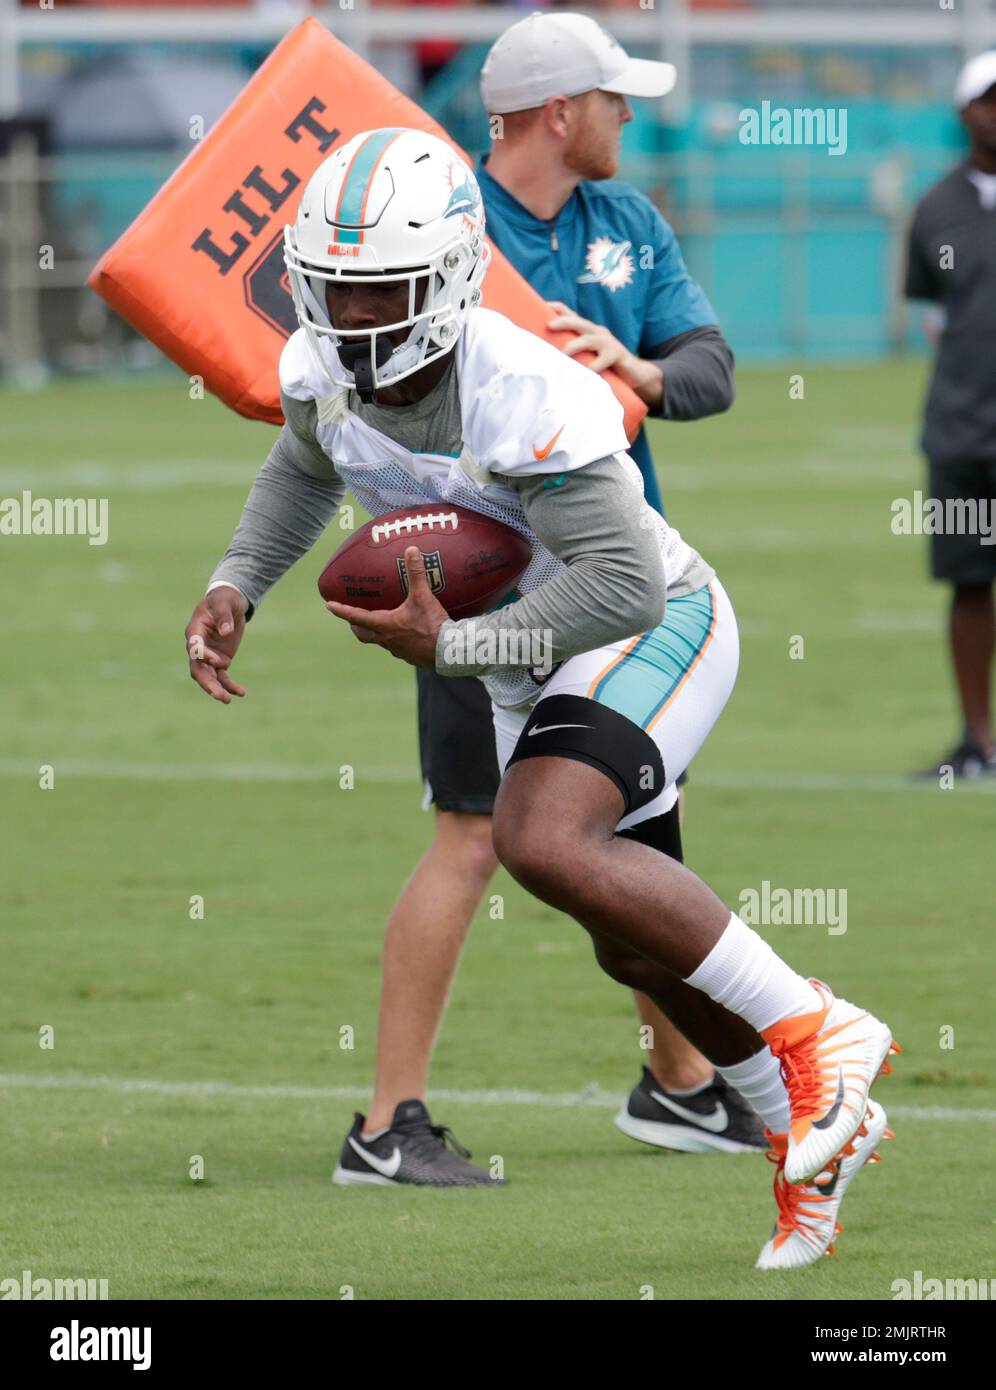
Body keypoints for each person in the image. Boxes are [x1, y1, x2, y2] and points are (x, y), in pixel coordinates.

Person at [184, 129, 896, 1267]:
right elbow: (301, 465)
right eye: (337, 292)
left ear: (453, 276)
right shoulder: (318, 367)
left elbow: (622, 586)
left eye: (385, 294)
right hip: (531, 652)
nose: (357, 320)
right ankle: (800, 1128)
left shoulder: (523, 388)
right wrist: (236, 584)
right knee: (635, 951)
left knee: (537, 837)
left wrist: (458, 644)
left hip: (655, 621)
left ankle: (824, 1028)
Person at [363, 10, 758, 1179]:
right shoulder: (445, 228)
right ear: (558, 112)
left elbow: (711, 370)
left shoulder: (626, 222)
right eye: (615, 98)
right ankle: (387, 1122)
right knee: (475, 835)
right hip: (479, 583)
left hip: (617, 587)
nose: (630, 116)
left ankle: (682, 1084)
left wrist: (633, 368)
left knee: (632, 822)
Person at [907, 50, 996, 780]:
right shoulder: (936, 207)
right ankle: (978, 741)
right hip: (963, 430)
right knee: (970, 582)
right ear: (965, 112)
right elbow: (932, 308)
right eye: (989, 100)